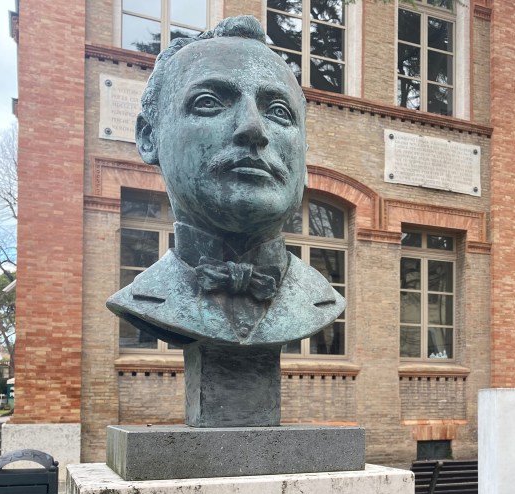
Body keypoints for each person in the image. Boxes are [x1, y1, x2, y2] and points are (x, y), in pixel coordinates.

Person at [106, 15, 344, 346]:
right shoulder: (144, 300)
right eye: (209, 103)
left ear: (303, 150)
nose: (253, 129)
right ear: (149, 137)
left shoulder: (321, 300)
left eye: (278, 111)